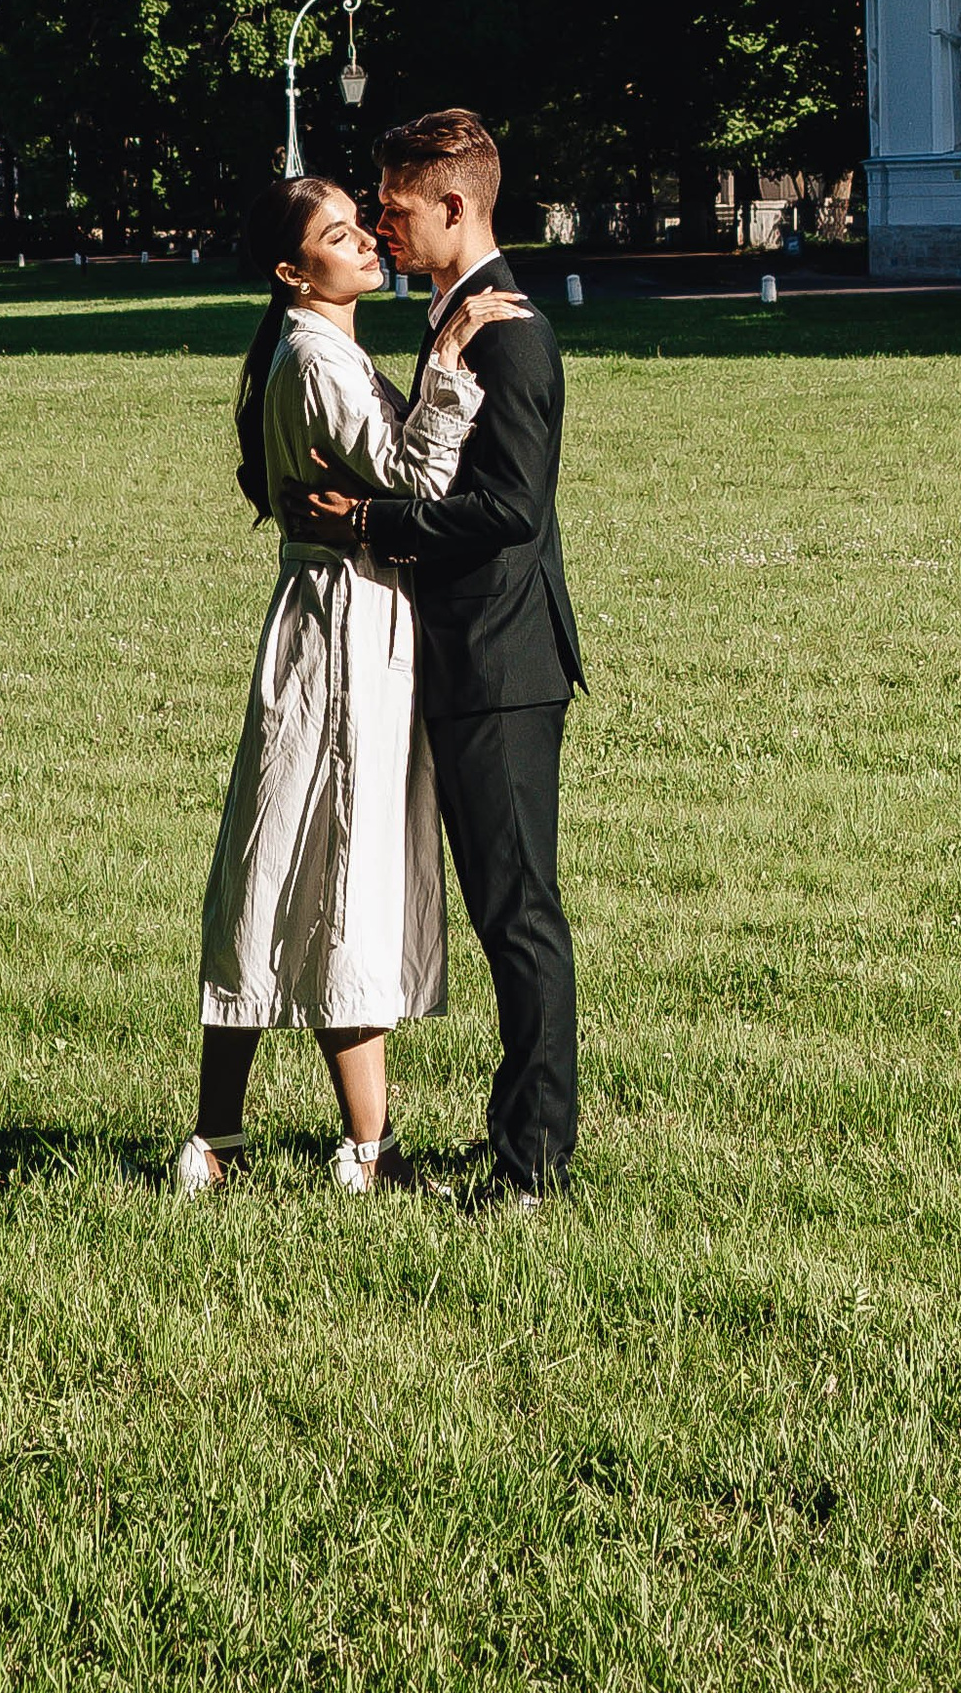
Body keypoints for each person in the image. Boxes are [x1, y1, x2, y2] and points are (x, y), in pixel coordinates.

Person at [174, 175, 521, 1198]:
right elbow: (415, 484)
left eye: (361, 225)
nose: (367, 240)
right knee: (333, 870)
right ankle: (355, 1153)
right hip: (343, 628)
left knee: (288, 864)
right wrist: (451, 368)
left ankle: (234, 1142)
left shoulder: (316, 349)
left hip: (339, 616)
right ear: (294, 271)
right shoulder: (317, 357)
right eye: (338, 235)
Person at [284, 107, 582, 1209]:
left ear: (455, 205)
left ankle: (531, 1167)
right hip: (467, 658)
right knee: (507, 912)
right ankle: (520, 1141)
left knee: (518, 917)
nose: (385, 229)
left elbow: (505, 508)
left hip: (503, 666)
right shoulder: (458, 319)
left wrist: (367, 524)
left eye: (398, 211)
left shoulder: (509, 330)